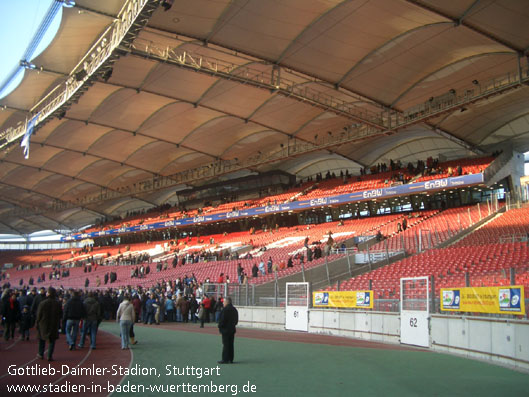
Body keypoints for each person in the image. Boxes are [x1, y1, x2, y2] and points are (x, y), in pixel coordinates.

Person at [36, 287, 62, 361]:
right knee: (52, 340)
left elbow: (39, 314)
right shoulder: (57, 303)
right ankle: (49, 355)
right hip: (53, 324)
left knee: (41, 339)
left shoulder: (43, 303)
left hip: (43, 323)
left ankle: (40, 354)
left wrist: (37, 322)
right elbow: (60, 314)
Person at [217, 296, 238, 364]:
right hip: (232, 329)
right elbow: (236, 321)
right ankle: (230, 359)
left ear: (226, 302)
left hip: (225, 329)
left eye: (224, 302)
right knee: (231, 344)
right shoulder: (234, 309)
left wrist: (220, 326)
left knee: (225, 344)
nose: (223, 303)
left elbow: (222, 320)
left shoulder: (225, 310)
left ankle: (225, 359)